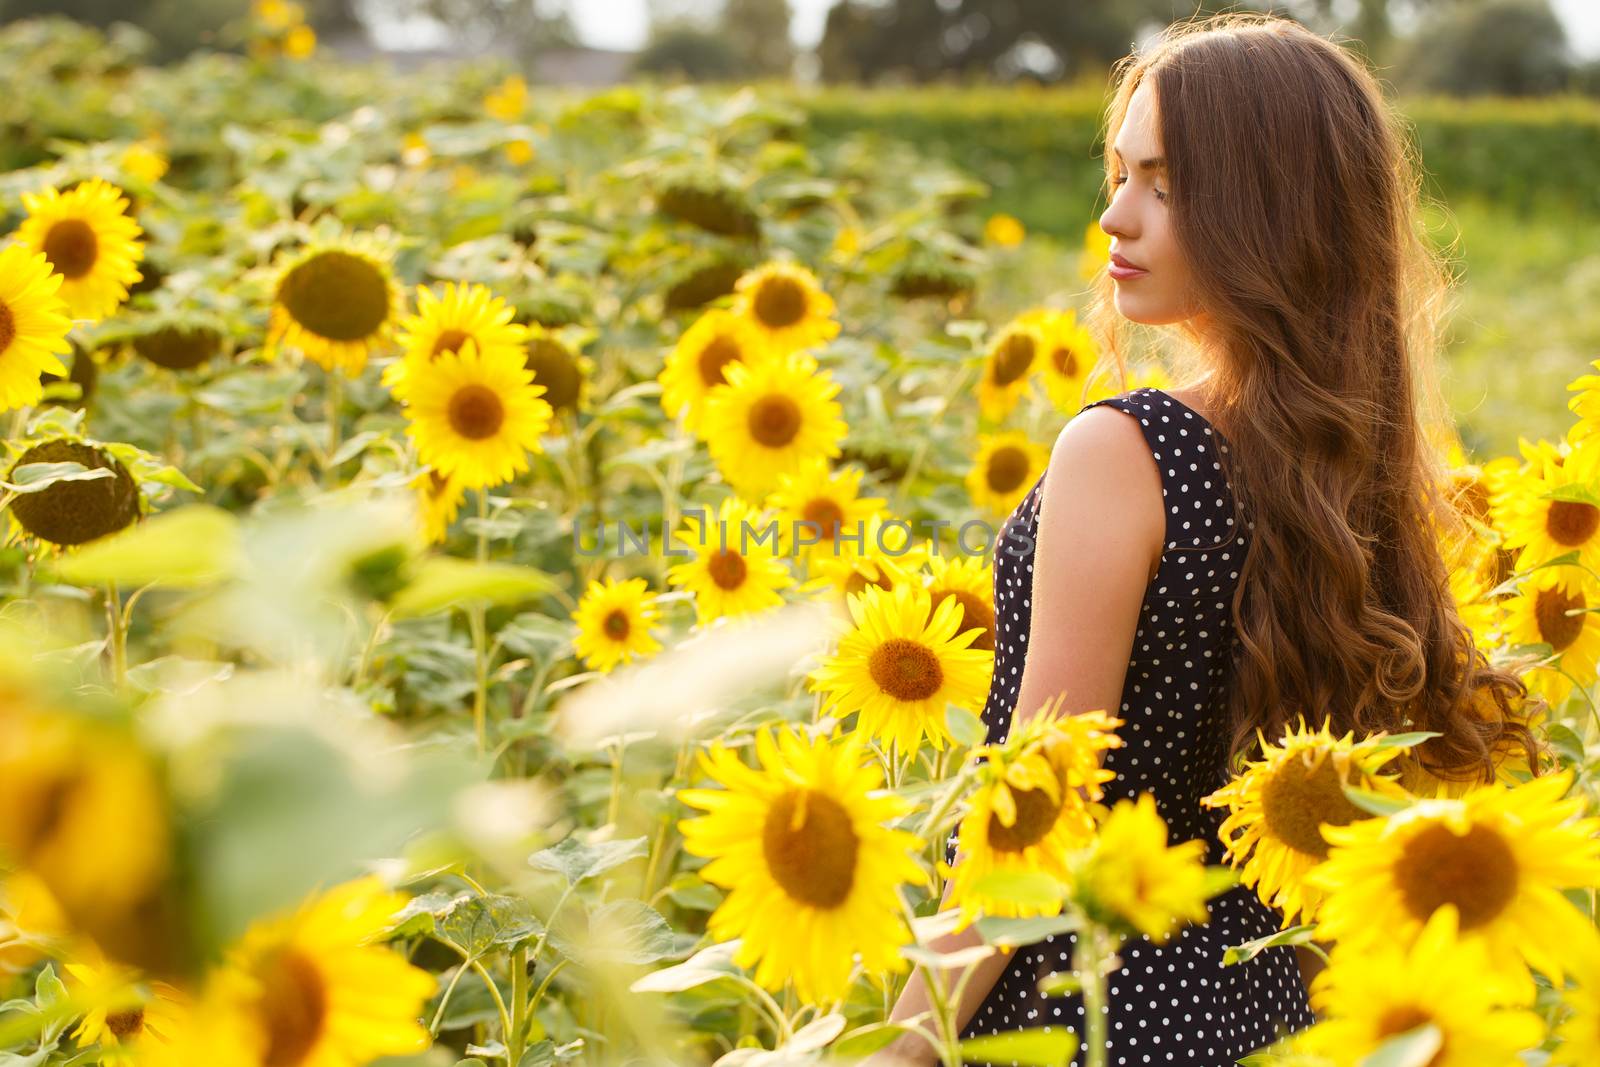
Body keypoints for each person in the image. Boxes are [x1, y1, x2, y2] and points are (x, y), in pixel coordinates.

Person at [865, 11, 1544, 1067]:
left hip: (1081, 1003)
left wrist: (895, 1049)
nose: (1113, 217)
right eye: (1121, 173)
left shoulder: (1124, 449)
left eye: (1166, 186)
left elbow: (1044, 811)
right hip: (1276, 1014)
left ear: (1271, 214)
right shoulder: (1350, 466)